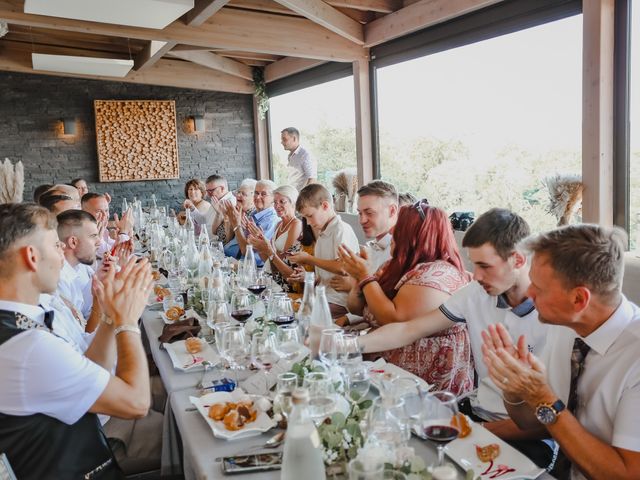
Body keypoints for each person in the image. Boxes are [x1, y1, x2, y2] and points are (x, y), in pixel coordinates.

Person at [356, 208, 555, 467]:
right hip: (475, 413)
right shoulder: (475, 293)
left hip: (528, 435)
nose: (477, 276)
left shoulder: (555, 315)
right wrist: (346, 344)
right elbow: (409, 330)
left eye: (485, 266)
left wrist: (475, 432)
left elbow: (555, 418)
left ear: (518, 260)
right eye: (473, 265)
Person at [0, 202, 152, 479]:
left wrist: (107, 315)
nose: (62, 256)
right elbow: (137, 403)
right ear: (32, 257)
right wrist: (127, 322)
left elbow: (89, 366)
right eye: (56, 247)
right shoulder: (27, 347)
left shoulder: (19, 322)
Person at [481, 225, 640, 480]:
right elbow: (536, 424)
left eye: (539, 289)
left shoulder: (635, 359)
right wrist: (515, 388)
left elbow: (626, 475)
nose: (529, 293)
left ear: (579, 299)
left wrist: (542, 395)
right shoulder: (565, 325)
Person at [339, 202, 473, 394]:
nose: (392, 233)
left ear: (415, 235)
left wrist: (365, 277)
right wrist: (357, 281)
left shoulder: (437, 274)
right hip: (382, 370)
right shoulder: (393, 265)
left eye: (398, 229)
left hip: (419, 385)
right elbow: (355, 307)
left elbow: (393, 320)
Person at [289, 184, 359, 318]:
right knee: (285, 307)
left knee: (299, 316)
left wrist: (309, 259)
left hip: (339, 301)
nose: (308, 223)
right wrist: (309, 278)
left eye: (310, 216)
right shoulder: (323, 233)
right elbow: (325, 276)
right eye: (305, 218)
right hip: (323, 296)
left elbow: (343, 267)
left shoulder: (341, 230)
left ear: (325, 206)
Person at [248, 185, 302, 291]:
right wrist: (259, 245)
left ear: (293, 203)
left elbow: (283, 263)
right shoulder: (279, 224)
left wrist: (268, 249)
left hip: (284, 282)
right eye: (275, 202)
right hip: (270, 276)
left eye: (282, 202)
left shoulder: (296, 225)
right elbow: (269, 261)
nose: (277, 206)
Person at [56, 210, 102, 323]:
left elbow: (86, 311)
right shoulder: (60, 280)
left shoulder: (77, 267)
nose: (99, 242)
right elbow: (82, 334)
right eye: (93, 236)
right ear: (73, 242)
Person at [224, 179, 278, 266]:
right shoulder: (255, 213)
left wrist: (237, 226)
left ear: (273, 199)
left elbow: (247, 251)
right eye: (256, 193)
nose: (257, 197)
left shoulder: (271, 221)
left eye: (263, 194)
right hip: (229, 258)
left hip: (246, 266)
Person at [281, 127, 317, 192]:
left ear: (294, 138)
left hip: (300, 196)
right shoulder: (290, 156)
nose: (282, 142)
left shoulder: (305, 155)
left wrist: (302, 196)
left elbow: (312, 179)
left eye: (284, 139)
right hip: (292, 195)